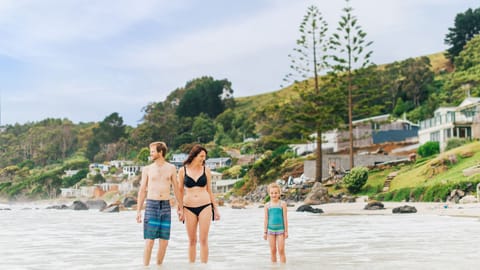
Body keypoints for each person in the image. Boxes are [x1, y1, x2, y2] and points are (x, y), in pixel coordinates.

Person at [136, 141, 183, 266]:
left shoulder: (171, 168)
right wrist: (138, 211)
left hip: (166, 206)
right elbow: (142, 190)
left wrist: (181, 209)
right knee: (150, 241)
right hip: (151, 205)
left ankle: (159, 267)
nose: (150, 154)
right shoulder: (147, 169)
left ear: (160, 152)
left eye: (152, 151)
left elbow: (177, 189)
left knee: (164, 242)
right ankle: (145, 267)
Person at [178, 144, 220, 263]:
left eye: (205, 157)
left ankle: (203, 267)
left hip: (205, 206)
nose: (203, 159)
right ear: (195, 155)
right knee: (192, 240)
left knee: (203, 240)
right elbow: (180, 191)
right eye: (201, 156)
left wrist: (216, 209)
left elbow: (209, 190)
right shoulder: (183, 170)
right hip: (188, 207)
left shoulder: (206, 170)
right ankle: (192, 267)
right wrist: (180, 209)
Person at [263, 183, 288, 263]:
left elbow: (285, 218)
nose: (274, 195)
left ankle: (283, 267)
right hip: (270, 231)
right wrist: (265, 232)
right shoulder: (267, 205)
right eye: (272, 193)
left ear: (279, 193)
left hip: (281, 230)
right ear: (269, 194)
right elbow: (266, 219)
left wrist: (286, 231)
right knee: (273, 251)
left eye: (276, 193)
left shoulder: (282, 204)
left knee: (281, 250)